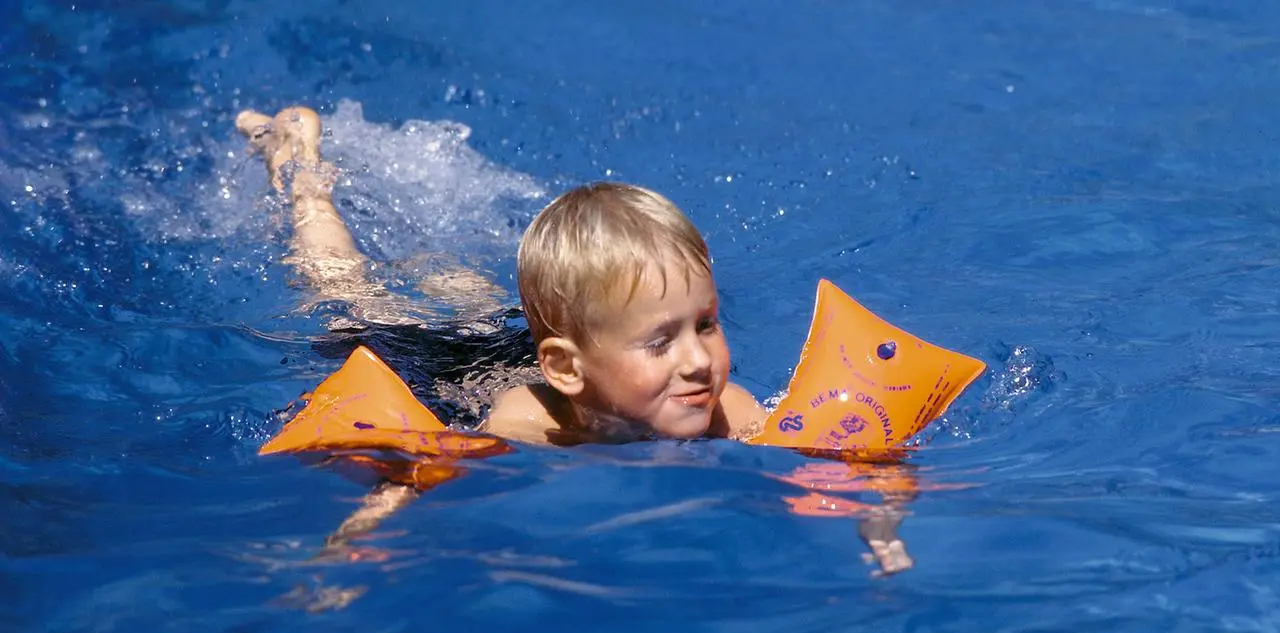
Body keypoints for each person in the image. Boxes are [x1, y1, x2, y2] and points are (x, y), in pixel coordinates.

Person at [237, 105, 912, 575]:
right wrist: (353, 539)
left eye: (705, 323)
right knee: (346, 297)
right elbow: (418, 479)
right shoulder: (525, 425)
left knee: (469, 298)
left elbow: (853, 459)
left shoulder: (731, 410)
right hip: (446, 372)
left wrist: (879, 526)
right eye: (661, 341)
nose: (699, 360)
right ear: (565, 368)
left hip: (528, 341)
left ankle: (411, 250)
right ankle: (305, 182)